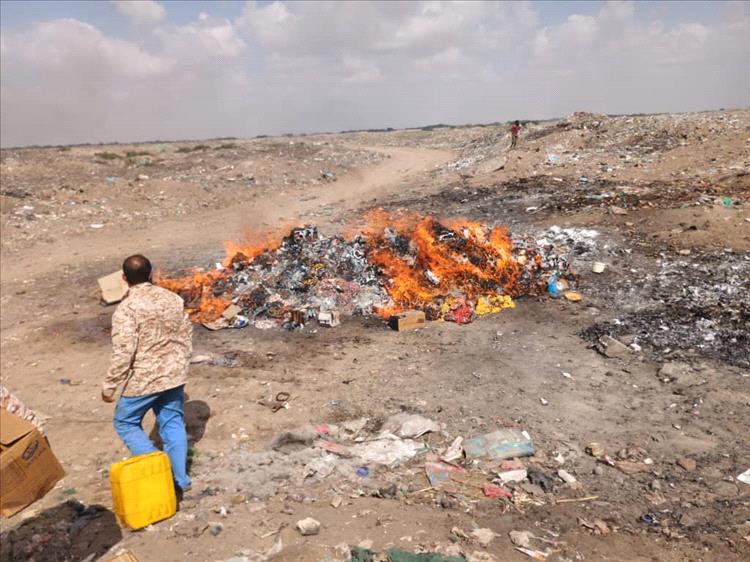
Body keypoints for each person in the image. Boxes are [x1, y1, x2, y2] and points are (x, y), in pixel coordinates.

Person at [102, 254, 193, 494]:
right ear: (151, 273)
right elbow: (187, 333)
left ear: (124, 278)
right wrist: (181, 362)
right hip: (175, 372)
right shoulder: (172, 299)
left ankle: (161, 472)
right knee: (173, 423)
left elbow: (124, 352)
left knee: (125, 422)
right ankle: (181, 480)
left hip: (146, 378)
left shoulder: (127, 309)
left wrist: (110, 386)